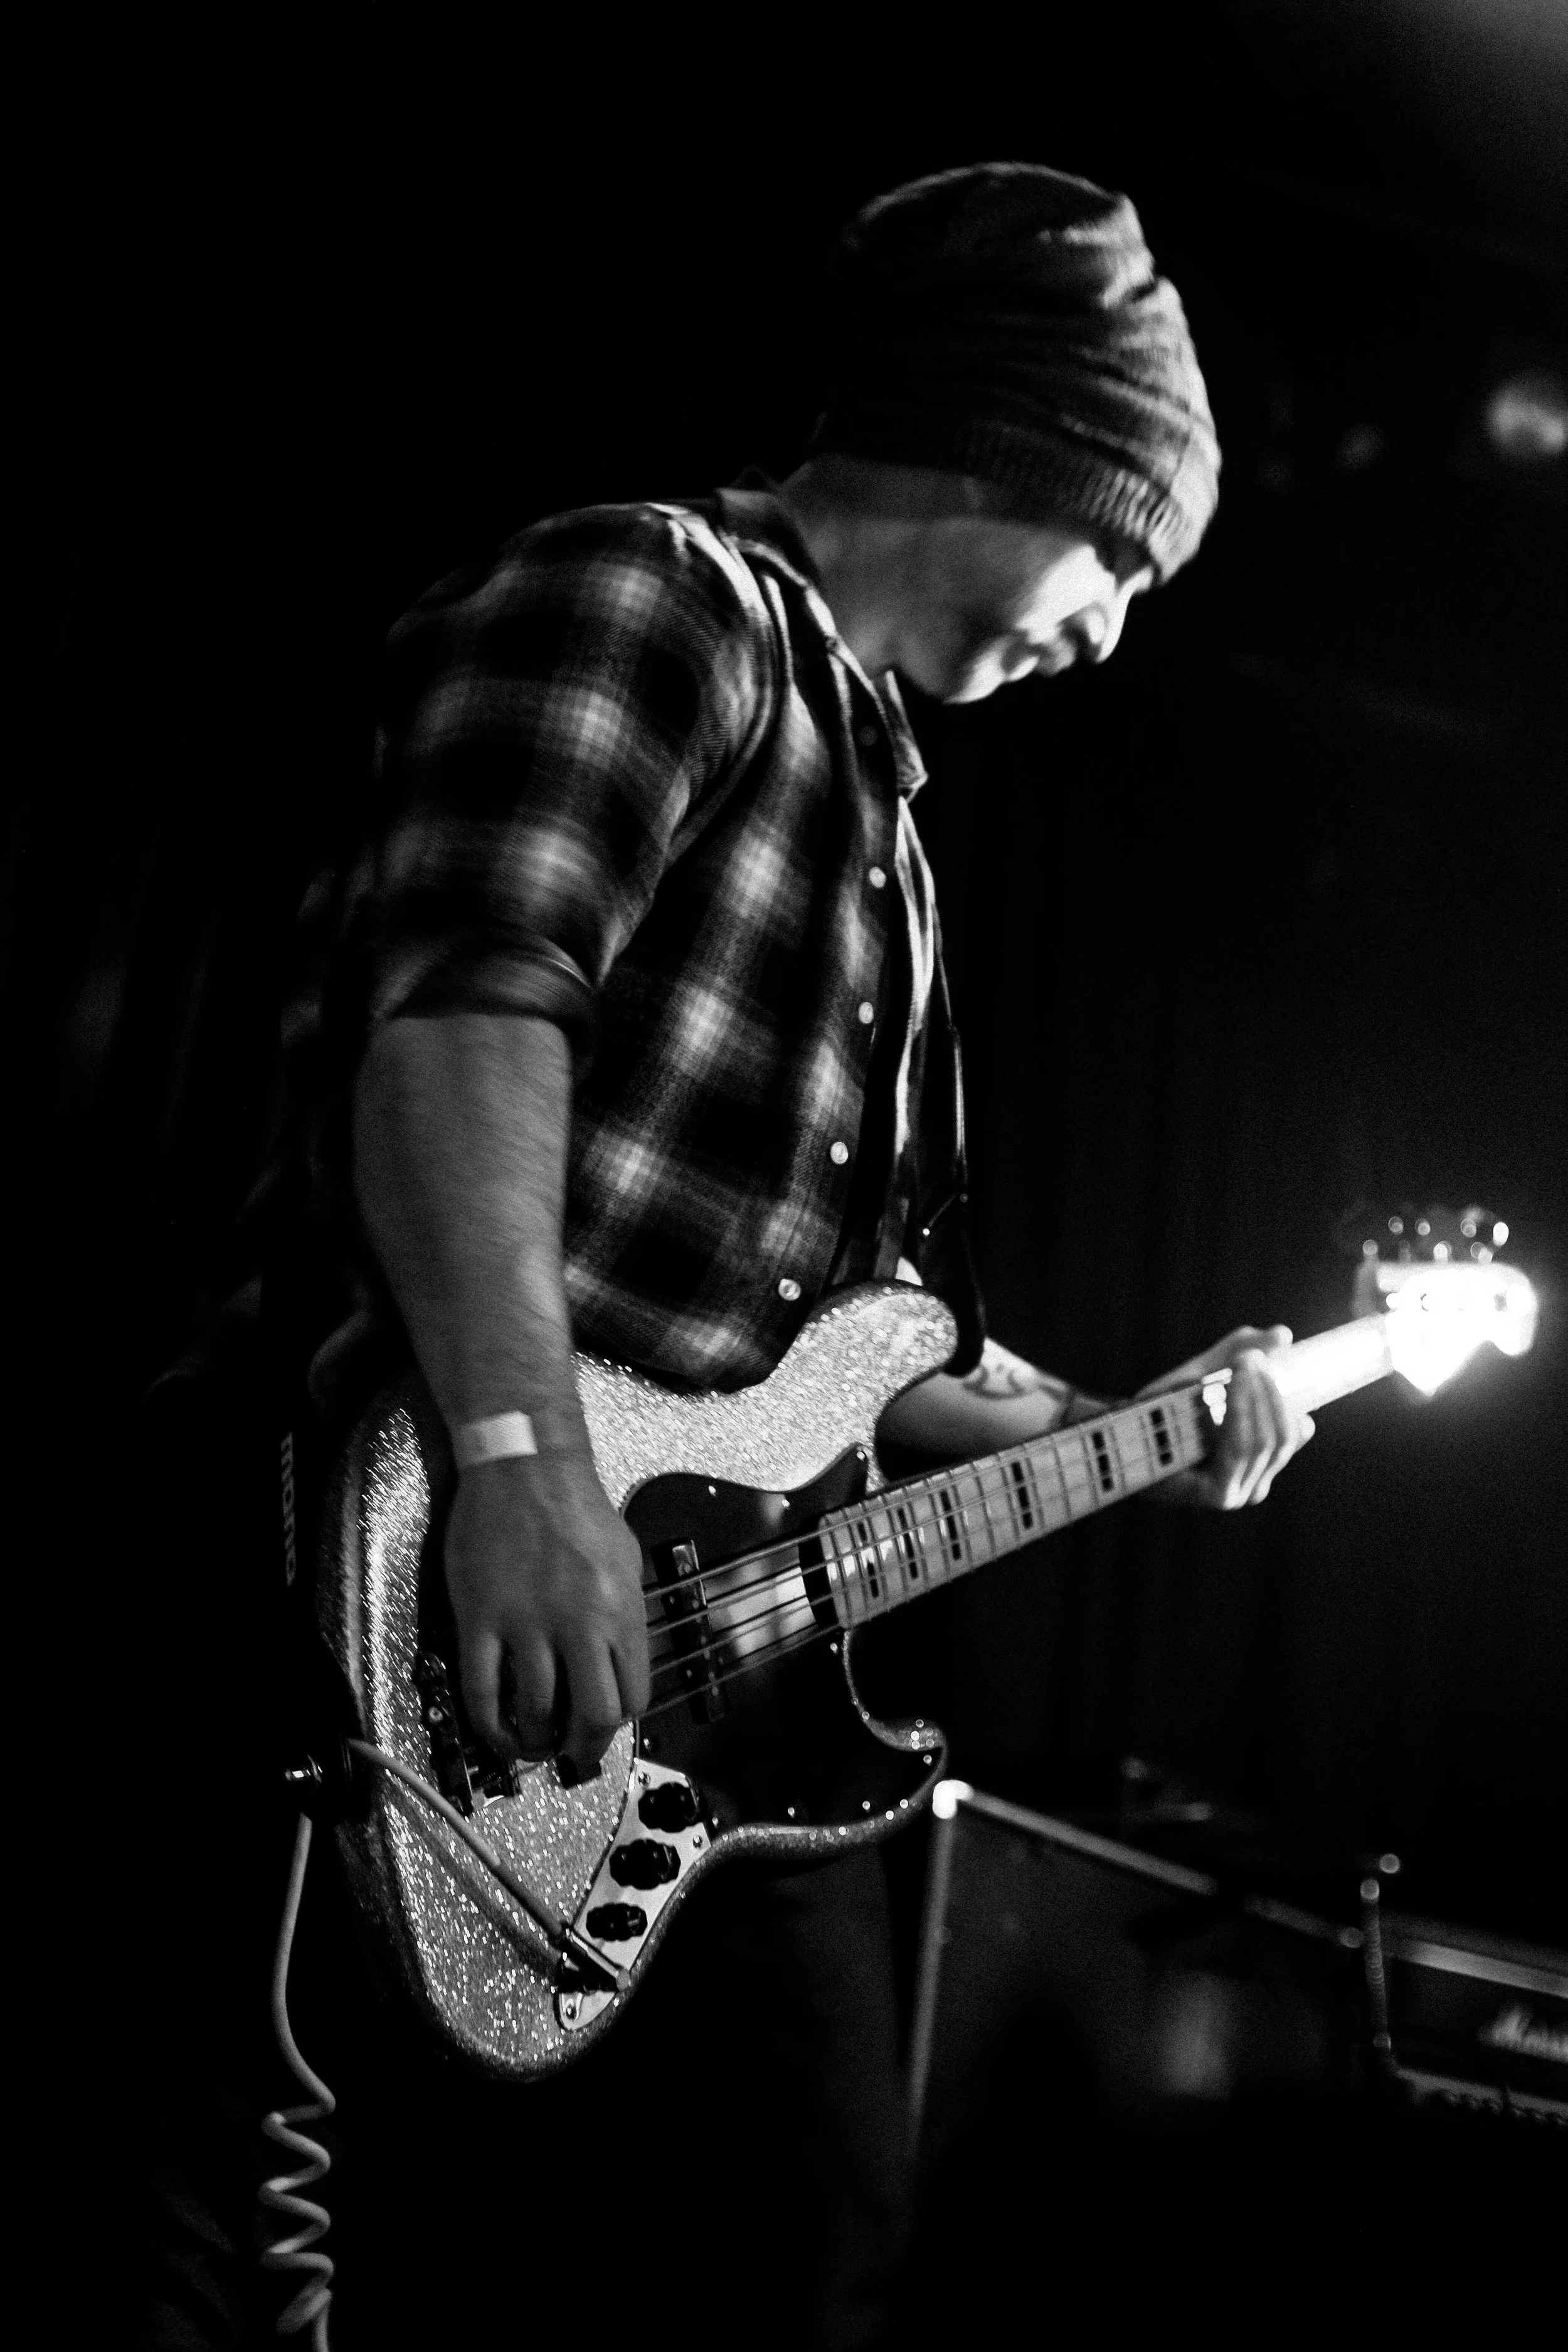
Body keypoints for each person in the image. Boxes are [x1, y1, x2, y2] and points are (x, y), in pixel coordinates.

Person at [133, 162, 1310, 2349]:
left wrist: (1141, 1429)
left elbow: (860, 1351)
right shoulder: (648, 601)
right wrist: (514, 1454)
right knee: (246, 2263)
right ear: (1006, 448)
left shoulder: (892, 836)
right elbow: (466, 1014)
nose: (1111, 627)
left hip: (666, 1685)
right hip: (373, 1568)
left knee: (785, 2256)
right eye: (1117, 551)